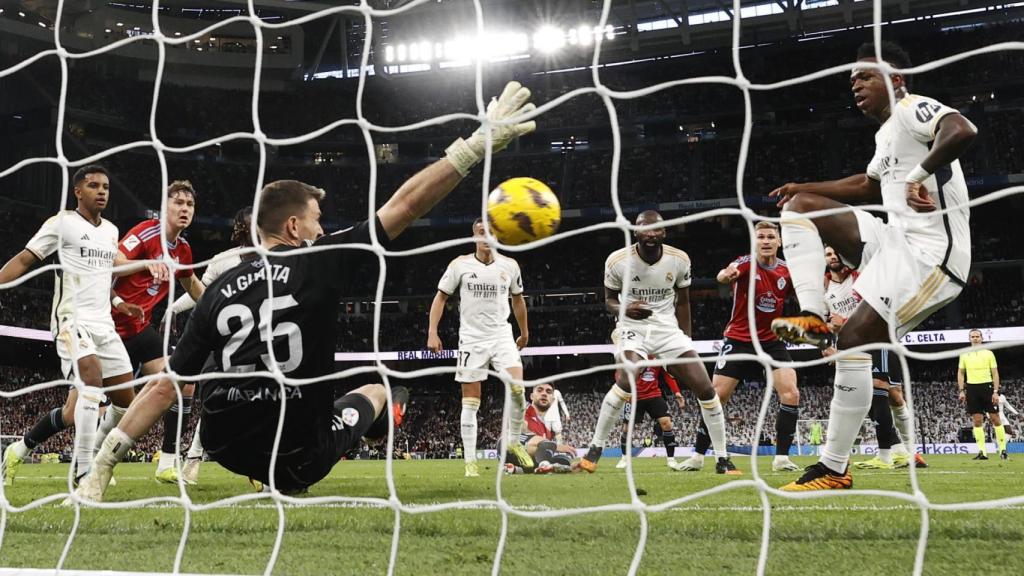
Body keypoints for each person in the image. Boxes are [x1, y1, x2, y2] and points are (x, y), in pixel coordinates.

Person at [75, 80, 538, 501]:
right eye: (317, 220)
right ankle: (362, 438)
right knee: (377, 392)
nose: (323, 228)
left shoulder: (216, 287)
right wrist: (476, 146)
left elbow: (162, 389)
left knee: (203, 373)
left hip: (227, 444)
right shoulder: (322, 261)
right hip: (298, 451)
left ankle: (208, 461)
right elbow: (406, 203)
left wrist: (103, 464)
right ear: (294, 227)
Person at [769, 42, 977, 490]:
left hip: (932, 255)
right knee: (800, 207)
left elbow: (961, 129)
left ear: (896, 79)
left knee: (855, 340)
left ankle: (833, 467)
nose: (855, 86)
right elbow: (868, 185)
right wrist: (803, 184)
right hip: (895, 241)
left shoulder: (912, 108)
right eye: (852, 81)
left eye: (864, 77)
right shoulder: (885, 135)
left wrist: (919, 177)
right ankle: (812, 315)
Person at [1, 165, 163, 485]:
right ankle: (84, 469)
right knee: (91, 382)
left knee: (123, 403)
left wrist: (120, 303)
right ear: (78, 191)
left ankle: (24, 450)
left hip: (104, 324)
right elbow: (24, 259)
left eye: (105, 186)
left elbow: (108, 272)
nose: (102, 191)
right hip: (72, 321)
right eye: (93, 186)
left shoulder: (111, 231)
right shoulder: (63, 224)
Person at [577, 210, 739, 475]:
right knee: (628, 376)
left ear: (665, 231)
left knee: (707, 389)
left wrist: (686, 339)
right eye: (645, 229)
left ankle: (722, 459)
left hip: (667, 330)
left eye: (657, 229)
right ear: (635, 231)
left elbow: (684, 301)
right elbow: (608, 300)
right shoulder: (617, 261)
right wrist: (624, 309)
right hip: (632, 328)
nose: (651, 234)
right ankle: (595, 448)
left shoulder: (679, 259)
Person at [678, 222, 800, 473]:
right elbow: (724, 274)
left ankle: (781, 459)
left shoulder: (787, 271)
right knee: (716, 397)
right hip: (739, 339)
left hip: (771, 341)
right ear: (754, 242)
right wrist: (725, 276)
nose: (765, 241)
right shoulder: (745, 264)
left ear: (779, 242)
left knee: (791, 394)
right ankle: (698, 456)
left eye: (770, 237)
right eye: (760, 237)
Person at [110, 180, 205, 484]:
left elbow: (192, 285)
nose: (184, 209)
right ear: (165, 208)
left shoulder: (184, 250)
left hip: (139, 329)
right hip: (108, 323)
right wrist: (147, 262)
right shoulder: (146, 232)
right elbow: (114, 261)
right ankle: (84, 459)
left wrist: (218, 304)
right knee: (91, 408)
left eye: (189, 205)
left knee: (181, 383)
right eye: (178, 203)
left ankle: (167, 462)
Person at [427, 219, 532, 478]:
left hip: (502, 336)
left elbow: (518, 301)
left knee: (518, 389)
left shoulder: (510, 265)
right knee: (471, 402)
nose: (487, 236)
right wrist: (432, 332)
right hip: (472, 340)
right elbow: (440, 297)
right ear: (474, 236)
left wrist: (525, 332)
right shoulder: (460, 265)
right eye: (482, 232)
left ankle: (514, 441)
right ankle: (471, 463)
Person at [167, 206, 254, 484]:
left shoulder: (278, 256)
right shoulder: (222, 261)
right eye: (252, 220)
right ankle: (193, 458)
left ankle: (259, 464)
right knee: (216, 403)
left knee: (264, 402)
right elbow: (200, 293)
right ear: (240, 227)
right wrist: (173, 310)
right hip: (225, 344)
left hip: (263, 342)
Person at [820, 246, 927, 470]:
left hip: (877, 337)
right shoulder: (824, 284)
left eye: (835, 252)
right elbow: (827, 320)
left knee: (890, 394)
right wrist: (829, 341)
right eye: (828, 254)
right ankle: (898, 452)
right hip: (851, 346)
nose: (832, 257)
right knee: (876, 394)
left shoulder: (861, 276)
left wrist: (845, 323)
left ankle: (900, 453)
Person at [611, 361, 686, 470]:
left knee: (667, 424)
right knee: (627, 428)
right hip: (633, 397)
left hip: (654, 395)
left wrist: (677, 392)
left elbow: (667, 376)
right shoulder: (633, 354)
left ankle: (671, 459)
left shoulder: (657, 357)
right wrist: (624, 391)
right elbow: (619, 373)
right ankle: (624, 458)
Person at [505, 382, 577, 474]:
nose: (544, 393)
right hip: (510, 450)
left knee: (565, 459)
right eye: (539, 390)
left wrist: (573, 466)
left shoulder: (546, 430)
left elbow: (542, 451)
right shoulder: (525, 410)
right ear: (531, 396)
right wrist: (556, 446)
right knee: (547, 444)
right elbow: (520, 428)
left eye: (548, 392)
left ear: (553, 400)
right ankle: (544, 465)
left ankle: (519, 469)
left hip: (529, 459)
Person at [957, 329, 1006, 460]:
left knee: (995, 418)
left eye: (977, 336)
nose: (975, 338)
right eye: (973, 336)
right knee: (977, 420)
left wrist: (995, 391)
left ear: (981, 338)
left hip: (987, 386)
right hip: (972, 388)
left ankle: (1002, 450)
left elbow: (995, 373)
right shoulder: (964, 354)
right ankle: (982, 452)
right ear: (969, 339)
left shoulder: (989, 353)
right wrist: (962, 390)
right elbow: (961, 373)